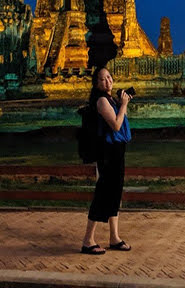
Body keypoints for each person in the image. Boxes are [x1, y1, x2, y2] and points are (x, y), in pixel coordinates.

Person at [80, 67, 132, 255]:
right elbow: (116, 125)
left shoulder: (110, 100)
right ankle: (88, 240)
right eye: (102, 79)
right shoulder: (101, 101)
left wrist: (120, 103)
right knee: (103, 193)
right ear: (96, 84)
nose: (107, 81)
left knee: (114, 193)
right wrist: (124, 105)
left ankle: (114, 237)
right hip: (108, 152)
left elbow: (120, 123)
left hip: (117, 150)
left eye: (109, 77)